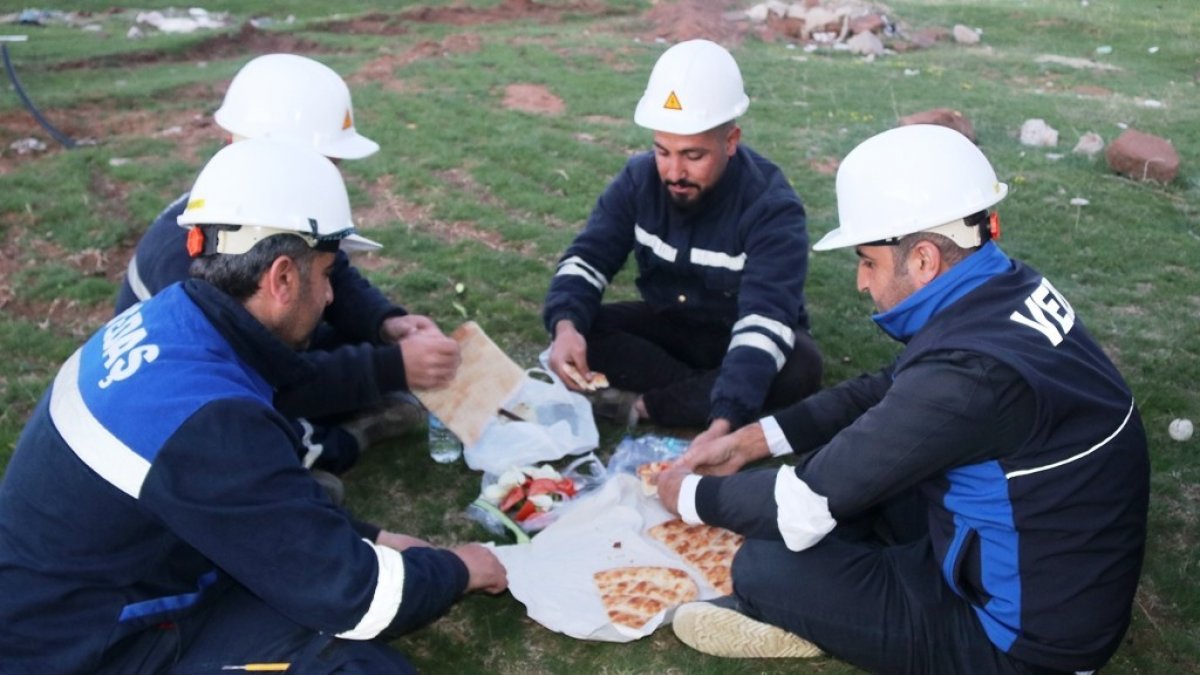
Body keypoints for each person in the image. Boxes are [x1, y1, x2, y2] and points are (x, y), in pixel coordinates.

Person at [0, 139, 507, 673]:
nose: (333, 296)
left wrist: (372, 538)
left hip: (101, 592)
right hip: (88, 648)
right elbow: (356, 599)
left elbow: (256, 501)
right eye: (329, 274)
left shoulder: (170, 320)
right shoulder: (210, 420)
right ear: (283, 277)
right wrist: (461, 568)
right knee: (360, 666)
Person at [657, 124, 1150, 673]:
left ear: (922, 260)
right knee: (858, 484)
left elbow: (802, 506)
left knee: (763, 565)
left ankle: (822, 620)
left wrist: (685, 494)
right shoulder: (1006, 288)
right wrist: (755, 440)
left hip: (1023, 646)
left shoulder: (970, 375)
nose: (862, 283)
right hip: (1045, 564)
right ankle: (852, 603)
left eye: (867, 260)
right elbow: (886, 391)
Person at [115, 53, 459, 486]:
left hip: (246, 351)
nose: (335, 174)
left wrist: (385, 324)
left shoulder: (256, 200)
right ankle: (324, 448)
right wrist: (389, 368)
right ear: (280, 152)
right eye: (328, 161)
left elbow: (334, 273)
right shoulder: (190, 264)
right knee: (256, 432)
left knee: (336, 338)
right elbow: (264, 374)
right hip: (192, 388)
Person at [543, 39, 821, 437]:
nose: (673, 172)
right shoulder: (637, 179)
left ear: (730, 141)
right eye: (662, 151)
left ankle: (653, 405)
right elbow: (587, 258)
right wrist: (566, 327)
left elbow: (765, 320)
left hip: (741, 331)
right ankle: (703, 391)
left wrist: (722, 424)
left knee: (799, 365)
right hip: (670, 324)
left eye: (693, 156)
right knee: (578, 325)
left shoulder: (773, 207)